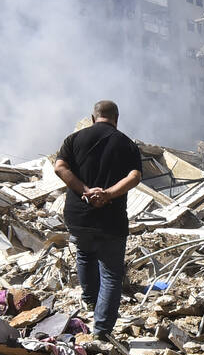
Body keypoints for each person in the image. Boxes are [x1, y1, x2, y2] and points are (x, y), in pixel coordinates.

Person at [54, 100, 142, 338]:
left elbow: (59, 167)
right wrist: (108, 194)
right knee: (111, 273)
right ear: (117, 118)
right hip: (111, 220)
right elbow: (135, 176)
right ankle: (102, 330)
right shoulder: (126, 143)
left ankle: (91, 302)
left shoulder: (73, 140)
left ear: (93, 118)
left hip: (78, 216)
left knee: (84, 255)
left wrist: (84, 190)